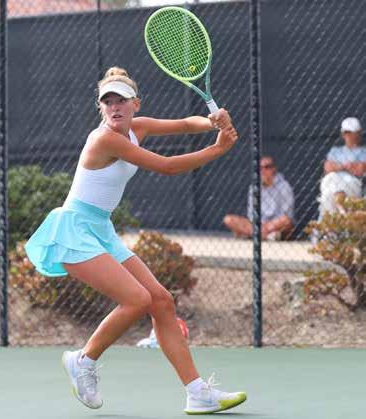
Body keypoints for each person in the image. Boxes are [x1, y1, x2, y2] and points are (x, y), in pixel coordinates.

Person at [25, 67, 246, 415]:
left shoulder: (137, 127)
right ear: (101, 107)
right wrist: (218, 149)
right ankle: (83, 360)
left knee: (161, 301)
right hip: (74, 230)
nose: (114, 107)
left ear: (135, 104)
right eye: (108, 102)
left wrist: (212, 121)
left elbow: (185, 124)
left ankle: (198, 393)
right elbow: (168, 166)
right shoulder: (104, 139)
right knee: (138, 299)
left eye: (121, 100)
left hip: (100, 228)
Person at [223, 156, 294, 240]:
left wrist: (267, 226)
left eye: (267, 167)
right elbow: (251, 213)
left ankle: (254, 234)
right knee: (228, 219)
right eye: (260, 168)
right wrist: (258, 225)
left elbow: (286, 214)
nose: (263, 170)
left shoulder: (284, 187)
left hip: (275, 224)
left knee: (286, 221)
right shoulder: (254, 187)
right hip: (257, 224)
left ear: (274, 169)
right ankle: (266, 236)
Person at [318, 117, 366, 219]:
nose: (349, 135)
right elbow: (327, 168)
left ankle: (329, 221)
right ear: (342, 134)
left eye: (351, 132)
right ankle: (342, 211)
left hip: (353, 183)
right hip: (332, 181)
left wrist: (338, 166)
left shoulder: (364, 151)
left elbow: (360, 170)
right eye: (346, 132)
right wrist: (347, 166)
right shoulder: (335, 151)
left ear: (358, 133)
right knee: (331, 179)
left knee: (328, 189)